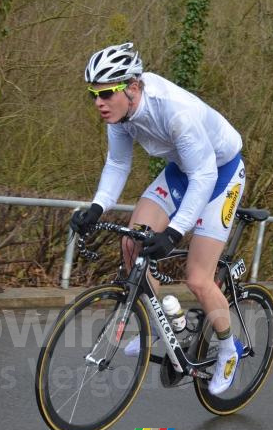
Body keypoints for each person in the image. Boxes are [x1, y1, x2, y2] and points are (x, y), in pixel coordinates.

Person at [70, 42, 246, 395]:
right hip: (183, 171)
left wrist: (176, 231)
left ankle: (229, 348)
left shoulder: (174, 111)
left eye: (105, 93)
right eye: (93, 94)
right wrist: (97, 208)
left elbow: (204, 177)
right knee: (133, 242)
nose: (98, 102)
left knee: (198, 278)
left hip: (220, 174)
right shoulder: (119, 114)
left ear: (133, 87)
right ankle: (161, 326)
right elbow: (118, 163)